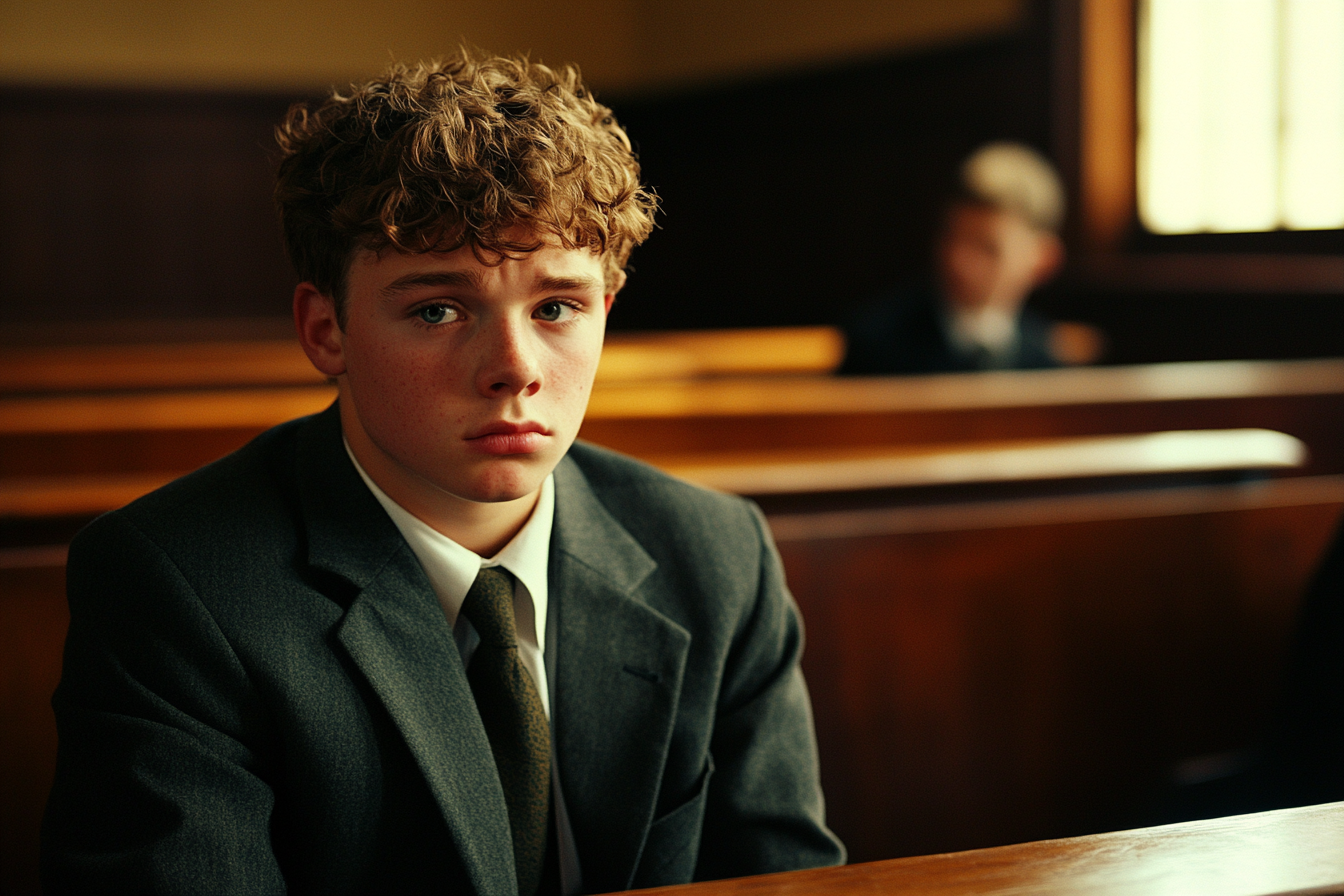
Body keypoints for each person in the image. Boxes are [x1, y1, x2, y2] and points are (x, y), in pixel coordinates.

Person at [41, 52, 844, 894]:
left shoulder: (719, 557)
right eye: (438, 309)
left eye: (557, 307)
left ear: (604, 312)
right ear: (326, 330)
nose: (514, 368)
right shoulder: (176, 587)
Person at [840, 142, 1097, 375]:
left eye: (987, 248)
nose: (957, 261)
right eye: (951, 237)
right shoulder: (876, 344)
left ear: (1043, 259)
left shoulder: (1046, 360)